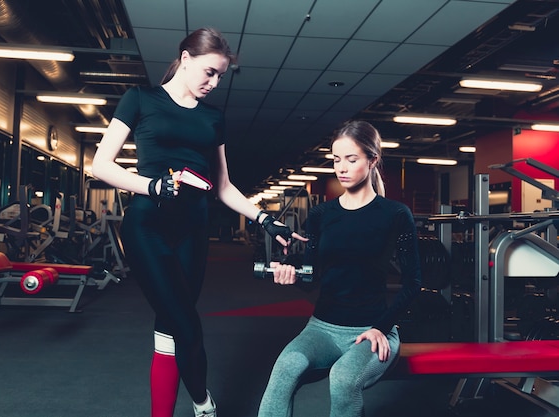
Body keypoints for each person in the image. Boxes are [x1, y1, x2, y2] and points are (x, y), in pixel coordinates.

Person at [91, 27, 305, 417]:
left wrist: (265, 219)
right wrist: (152, 185)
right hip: (147, 226)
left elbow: (223, 186)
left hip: (192, 230)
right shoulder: (141, 99)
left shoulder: (212, 118)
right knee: (186, 322)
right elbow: (101, 165)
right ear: (185, 59)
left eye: (221, 75)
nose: (214, 82)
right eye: (209, 72)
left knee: (171, 326)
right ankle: (204, 405)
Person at [257, 120, 422, 417]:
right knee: (285, 369)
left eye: (351, 159)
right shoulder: (321, 215)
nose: (341, 168)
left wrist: (381, 327)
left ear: (372, 161)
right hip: (322, 328)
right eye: (336, 160)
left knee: (344, 379)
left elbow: (413, 283)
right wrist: (290, 275)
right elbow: (311, 277)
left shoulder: (395, 214)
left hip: (373, 329)